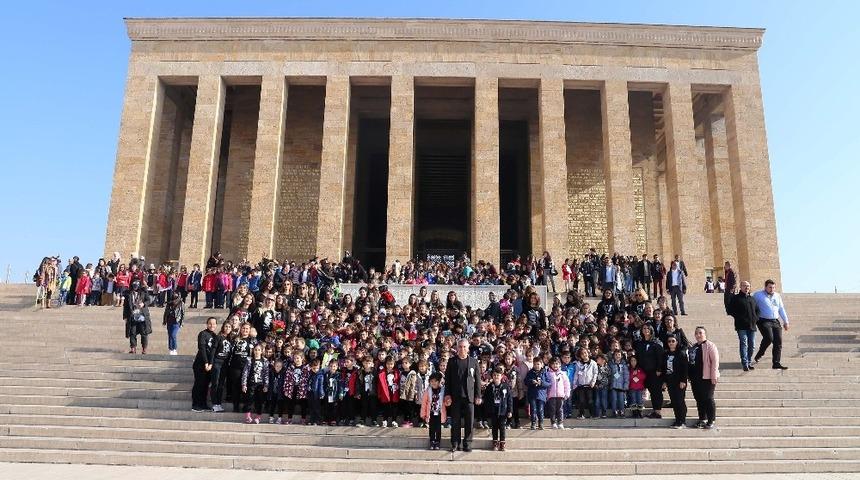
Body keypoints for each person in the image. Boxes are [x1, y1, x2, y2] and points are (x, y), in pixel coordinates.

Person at [444, 339, 482, 452]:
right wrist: (447, 395)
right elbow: (447, 380)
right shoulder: (452, 361)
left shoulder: (474, 362)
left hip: (469, 397)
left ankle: (467, 443)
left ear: (468, 348)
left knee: (469, 422)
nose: (462, 349)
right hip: (455, 397)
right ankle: (455, 443)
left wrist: (478, 395)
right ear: (457, 348)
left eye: (464, 347)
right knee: (455, 421)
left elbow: (478, 380)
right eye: (460, 347)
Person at [753, 279, 790, 370]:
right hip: (763, 320)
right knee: (769, 338)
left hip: (775, 321)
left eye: (773, 287)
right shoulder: (758, 295)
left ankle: (776, 363)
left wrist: (786, 321)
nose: (772, 289)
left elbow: (781, 309)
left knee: (778, 342)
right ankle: (760, 353)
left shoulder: (777, 296)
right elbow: (752, 306)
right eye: (770, 287)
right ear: (765, 287)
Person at [688, 326, 720, 429]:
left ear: (705, 334)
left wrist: (713, 375)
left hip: (707, 377)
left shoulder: (710, 345)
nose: (698, 335)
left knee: (708, 398)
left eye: (700, 333)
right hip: (695, 378)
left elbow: (715, 361)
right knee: (699, 399)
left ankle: (711, 420)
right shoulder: (694, 347)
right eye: (696, 333)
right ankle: (702, 419)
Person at [728, 281, 759, 371]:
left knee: (752, 345)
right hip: (741, 326)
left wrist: (756, 318)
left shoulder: (752, 299)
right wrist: (739, 317)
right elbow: (730, 310)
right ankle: (745, 363)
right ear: (741, 287)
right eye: (745, 286)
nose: (747, 287)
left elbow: (757, 310)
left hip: (752, 326)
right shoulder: (736, 298)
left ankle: (749, 362)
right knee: (744, 343)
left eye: (748, 286)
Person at [635, 325, 665, 418]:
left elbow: (661, 357)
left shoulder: (657, 342)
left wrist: (659, 369)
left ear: (651, 330)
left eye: (648, 328)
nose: (646, 330)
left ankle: (657, 412)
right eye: (644, 328)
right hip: (643, 372)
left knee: (656, 392)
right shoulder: (640, 343)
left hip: (654, 372)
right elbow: (638, 357)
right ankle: (638, 410)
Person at [482, 366, 513, 451]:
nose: (496, 377)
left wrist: (510, 410)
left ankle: (502, 443)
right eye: (494, 375)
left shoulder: (506, 387)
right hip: (493, 409)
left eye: (498, 375)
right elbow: (486, 398)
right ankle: (495, 442)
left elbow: (509, 399)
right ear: (492, 376)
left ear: (501, 376)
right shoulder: (489, 387)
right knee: (494, 426)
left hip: (502, 409)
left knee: (502, 427)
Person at [192, 317, 218, 412]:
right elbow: (202, 348)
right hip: (200, 364)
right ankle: (195, 404)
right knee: (199, 384)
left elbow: (213, 352)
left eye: (214, 323)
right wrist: (206, 362)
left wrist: (210, 364)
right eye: (210, 323)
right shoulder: (203, 334)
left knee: (205, 385)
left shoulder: (215, 336)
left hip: (209, 366)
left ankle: (203, 404)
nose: (212, 325)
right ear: (207, 324)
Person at [663, 336, 689, 428]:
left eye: (673, 341)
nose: (671, 343)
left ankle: (682, 421)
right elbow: (664, 369)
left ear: (677, 342)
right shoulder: (666, 354)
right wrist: (665, 381)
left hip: (679, 382)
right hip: (670, 381)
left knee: (680, 401)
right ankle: (677, 420)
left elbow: (685, 368)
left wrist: (683, 380)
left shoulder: (681, 354)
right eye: (669, 341)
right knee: (674, 401)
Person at [241, 343, 269, 424]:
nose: (257, 351)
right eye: (255, 350)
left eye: (259, 350)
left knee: (259, 401)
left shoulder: (265, 361)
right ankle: (248, 416)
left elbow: (266, 374)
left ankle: (258, 417)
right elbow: (245, 373)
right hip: (251, 383)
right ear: (253, 351)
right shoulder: (249, 360)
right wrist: (244, 384)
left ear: (261, 351)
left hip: (260, 385)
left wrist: (266, 385)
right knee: (249, 399)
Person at [123, 281, 152, 354]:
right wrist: (125, 316)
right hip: (132, 315)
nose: (135, 287)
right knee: (132, 332)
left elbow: (149, 300)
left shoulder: (143, 292)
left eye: (136, 285)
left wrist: (143, 304)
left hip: (142, 315)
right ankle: (133, 348)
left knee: (144, 333)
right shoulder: (129, 294)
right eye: (134, 285)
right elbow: (125, 306)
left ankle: (144, 349)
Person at [420, 371, 446, 450]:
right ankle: (432, 441)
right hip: (430, 413)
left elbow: (446, 402)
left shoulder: (443, 390)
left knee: (438, 429)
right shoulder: (428, 391)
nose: (433, 383)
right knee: (431, 428)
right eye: (431, 381)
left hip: (439, 413)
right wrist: (423, 414)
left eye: (435, 381)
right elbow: (424, 403)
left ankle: (437, 442)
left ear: (439, 382)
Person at [524, 356, 551, 429]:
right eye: (535, 364)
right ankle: (533, 423)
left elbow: (549, 383)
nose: (536, 366)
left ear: (542, 364)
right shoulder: (530, 372)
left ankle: (541, 423)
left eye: (538, 364)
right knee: (533, 409)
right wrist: (531, 381)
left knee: (540, 409)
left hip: (541, 395)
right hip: (532, 395)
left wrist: (541, 383)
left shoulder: (545, 373)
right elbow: (525, 381)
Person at [545, 357, 571, 429]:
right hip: (551, 395)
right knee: (552, 410)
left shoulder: (563, 374)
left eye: (557, 363)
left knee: (560, 409)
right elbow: (546, 385)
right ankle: (553, 423)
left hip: (560, 395)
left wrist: (567, 393)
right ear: (550, 365)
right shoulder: (548, 374)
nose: (555, 365)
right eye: (553, 364)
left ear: (560, 364)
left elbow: (567, 384)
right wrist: (546, 395)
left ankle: (560, 423)